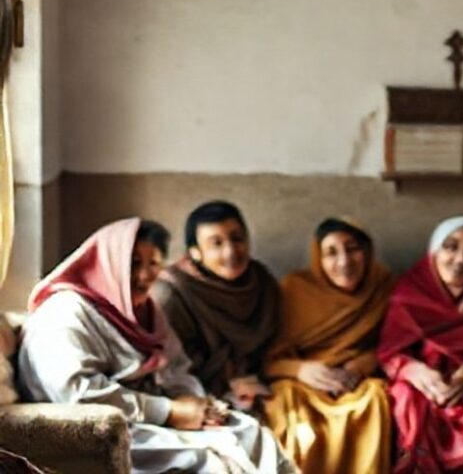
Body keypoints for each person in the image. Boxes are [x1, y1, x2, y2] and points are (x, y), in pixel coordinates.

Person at [18, 218, 294, 473]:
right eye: (134, 263)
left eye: (154, 263)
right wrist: (169, 411)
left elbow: (176, 366)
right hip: (109, 428)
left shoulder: (143, 309)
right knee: (209, 462)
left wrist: (196, 404)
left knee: (251, 433)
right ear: (107, 263)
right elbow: (76, 393)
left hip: (157, 416)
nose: (144, 275)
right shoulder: (66, 313)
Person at [378, 216, 463, 474]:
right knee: (407, 404)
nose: (461, 260)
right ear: (434, 250)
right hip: (420, 379)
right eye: (450, 247)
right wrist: (415, 372)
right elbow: (390, 351)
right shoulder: (410, 289)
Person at [262, 218, 393, 473]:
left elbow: (395, 345)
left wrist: (362, 365)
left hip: (357, 381)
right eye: (331, 253)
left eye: (352, 248)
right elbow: (268, 358)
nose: (344, 262)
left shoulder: (382, 286)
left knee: (376, 398)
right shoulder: (295, 289)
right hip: (303, 383)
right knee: (285, 403)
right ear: (317, 258)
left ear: (366, 252)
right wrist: (301, 370)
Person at [152, 200, 279, 411]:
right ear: (195, 252)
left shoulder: (261, 280)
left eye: (237, 239)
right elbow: (170, 367)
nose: (230, 252)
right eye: (216, 244)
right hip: (194, 397)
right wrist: (227, 383)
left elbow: (275, 344)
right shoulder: (172, 293)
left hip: (260, 384)